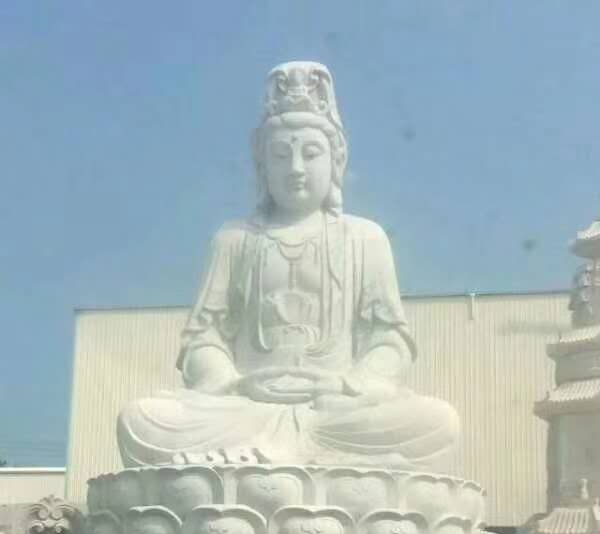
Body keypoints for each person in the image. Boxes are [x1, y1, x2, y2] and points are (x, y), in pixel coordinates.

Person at [117, 61, 458, 471]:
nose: (296, 168)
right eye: (281, 155)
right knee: (140, 419)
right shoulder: (233, 239)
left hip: (332, 409)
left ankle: (278, 460)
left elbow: (390, 341)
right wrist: (232, 382)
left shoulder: (366, 238)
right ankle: (317, 464)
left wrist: (348, 383)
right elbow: (202, 339)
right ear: (262, 166)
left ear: (337, 161)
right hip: (245, 410)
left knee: (438, 422)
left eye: (311, 154)